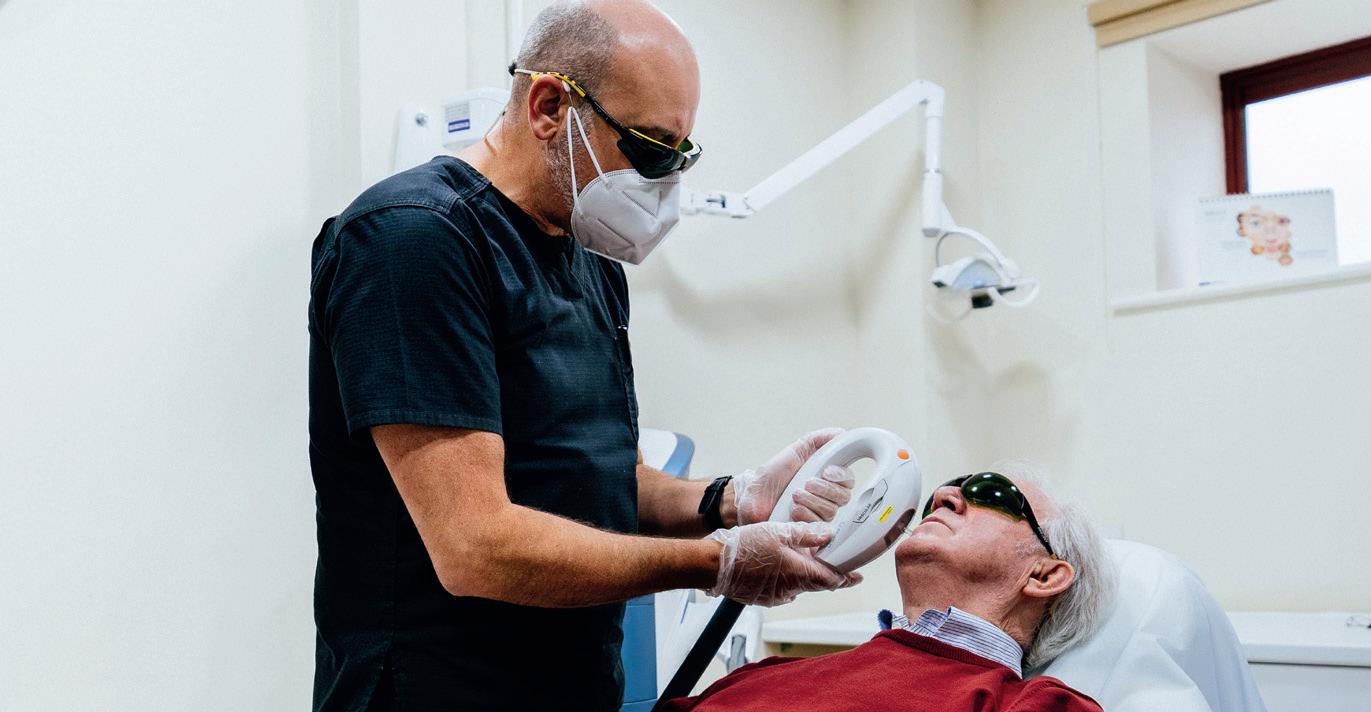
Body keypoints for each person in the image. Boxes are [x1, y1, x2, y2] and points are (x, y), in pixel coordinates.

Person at [306, 1, 858, 710]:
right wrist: (717, 565)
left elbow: (602, 479)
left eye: (680, 157)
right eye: (651, 149)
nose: (664, 184)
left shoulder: (592, 264)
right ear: (549, 107)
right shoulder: (414, 240)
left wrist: (731, 499)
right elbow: (476, 547)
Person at [659, 469, 1111, 712]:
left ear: (1044, 576)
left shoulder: (1035, 706)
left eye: (991, 492)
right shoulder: (763, 674)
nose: (944, 496)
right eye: (944, 492)